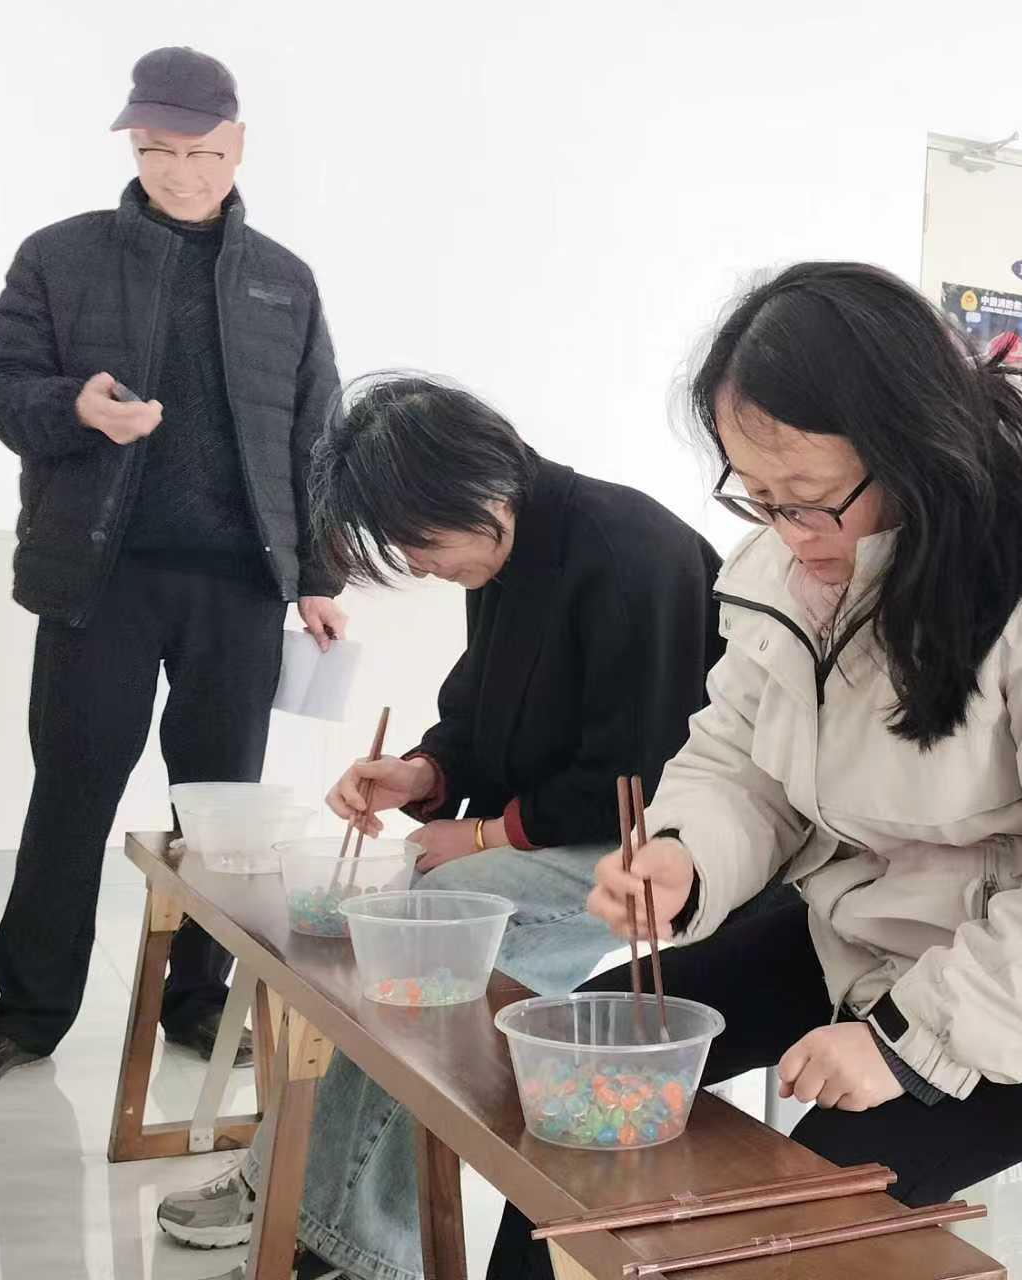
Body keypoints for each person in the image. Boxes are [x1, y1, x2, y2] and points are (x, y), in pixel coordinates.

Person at [479, 260, 1022, 1278]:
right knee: (591, 1058)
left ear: (916, 449)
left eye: (808, 500)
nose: (787, 534)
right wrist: (684, 854)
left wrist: (905, 1042)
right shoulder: (799, 558)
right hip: (877, 922)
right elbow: (738, 752)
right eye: (757, 498)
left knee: (786, 1208)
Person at [164, 373, 727, 1279]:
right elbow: (480, 716)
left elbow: (637, 774)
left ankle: (341, 1236)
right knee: (402, 929)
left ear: (480, 489)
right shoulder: (508, 550)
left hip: (654, 851)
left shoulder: (630, 553)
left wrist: (485, 837)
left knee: (439, 935)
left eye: (419, 542)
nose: (418, 565)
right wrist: (423, 774)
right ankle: (295, 1186)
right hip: (566, 829)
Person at [0, 47, 351, 1093]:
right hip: (98, 578)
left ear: (238, 147)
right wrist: (73, 407)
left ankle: (199, 1003)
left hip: (239, 587)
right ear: (133, 141)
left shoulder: (284, 280)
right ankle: (25, 1016)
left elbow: (318, 435)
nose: (182, 173)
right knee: (70, 796)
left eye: (204, 153)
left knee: (221, 813)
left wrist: (320, 573)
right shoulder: (58, 256)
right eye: (160, 150)